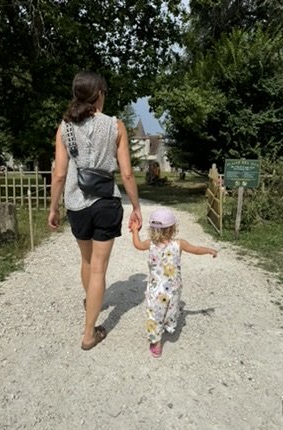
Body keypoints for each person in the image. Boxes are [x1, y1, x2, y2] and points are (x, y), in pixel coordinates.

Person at [48, 70, 142, 351]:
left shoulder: (64, 128)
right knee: (100, 268)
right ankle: (89, 333)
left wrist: (53, 207)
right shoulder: (116, 126)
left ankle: (91, 302)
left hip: (76, 204)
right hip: (105, 204)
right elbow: (126, 174)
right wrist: (136, 206)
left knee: (87, 262)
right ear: (98, 93)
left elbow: (60, 175)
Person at [130, 208, 217, 358]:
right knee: (171, 310)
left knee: (154, 315)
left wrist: (134, 230)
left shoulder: (150, 244)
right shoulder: (179, 244)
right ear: (173, 228)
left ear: (152, 229)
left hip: (155, 290)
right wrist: (209, 250)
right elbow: (195, 250)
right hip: (173, 289)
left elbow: (137, 245)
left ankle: (156, 342)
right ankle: (169, 326)